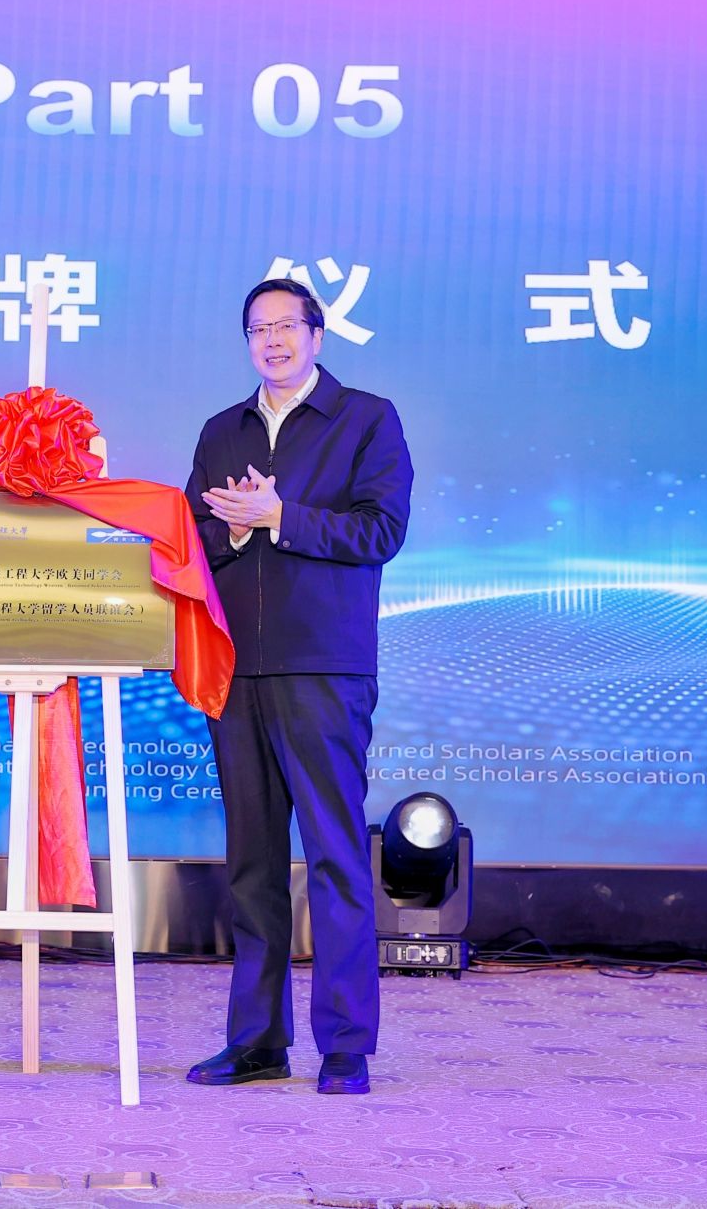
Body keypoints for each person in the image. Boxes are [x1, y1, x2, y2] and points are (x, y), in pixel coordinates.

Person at [183, 277, 414, 1096]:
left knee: (334, 856)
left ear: (317, 334)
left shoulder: (366, 419)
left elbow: (382, 530)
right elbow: (192, 541)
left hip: (325, 666)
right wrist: (231, 528)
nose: (273, 341)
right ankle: (256, 1040)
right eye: (258, 329)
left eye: (287, 326)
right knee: (251, 864)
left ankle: (346, 1044)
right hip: (238, 666)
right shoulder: (222, 430)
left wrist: (282, 516)